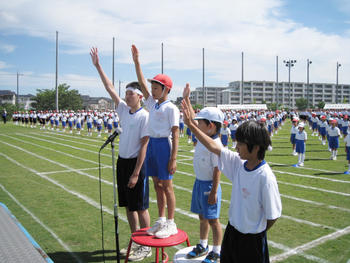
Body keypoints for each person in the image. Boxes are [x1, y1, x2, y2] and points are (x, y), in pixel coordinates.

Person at [182, 96, 282, 263]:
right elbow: (214, 146)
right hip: (232, 233)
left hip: (252, 241)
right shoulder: (238, 163)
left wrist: (253, 230)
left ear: (255, 147)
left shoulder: (265, 177)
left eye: (241, 144)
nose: (236, 147)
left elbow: (272, 216)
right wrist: (191, 124)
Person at [91, 47, 152, 261]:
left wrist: (136, 173)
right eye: (125, 93)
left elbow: (144, 146)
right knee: (128, 206)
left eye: (130, 94)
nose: (126, 97)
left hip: (137, 164)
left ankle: (147, 245)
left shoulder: (145, 116)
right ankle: (136, 240)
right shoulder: (124, 110)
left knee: (141, 207)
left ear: (140, 96)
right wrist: (98, 66)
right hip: (122, 162)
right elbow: (109, 88)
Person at [132, 44, 180, 239]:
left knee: (167, 185)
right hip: (151, 144)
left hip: (163, 146)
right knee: (156, 184)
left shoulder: (171, 108)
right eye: (152, 87)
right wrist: (137, 62)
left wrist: (174, 158)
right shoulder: (153, 103)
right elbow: (142, 83)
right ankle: (160, 220)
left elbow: (175, 134)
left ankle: (171, 222)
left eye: (156, 87)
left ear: (165, 89)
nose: (151, 90)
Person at [183, 85, 223, 263]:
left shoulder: (215, 145)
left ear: (211, 126)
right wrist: (187, 101)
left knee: (213, 219)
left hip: (209, 185)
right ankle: (203, 244)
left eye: (201, 123)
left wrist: (214, 191)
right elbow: (192, 119)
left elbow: (217, 170)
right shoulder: (204, 137)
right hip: (199, 183)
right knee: (202, 217)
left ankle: (217, 250)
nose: (197, 125)